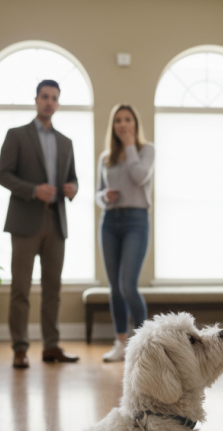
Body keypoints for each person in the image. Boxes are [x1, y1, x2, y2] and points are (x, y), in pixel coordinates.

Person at [0, 80, 80, 369]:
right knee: (20, 289)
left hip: (55, 222)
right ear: (36, 100)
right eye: (45, 97)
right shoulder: (16, 135)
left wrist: (73, 189)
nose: (49, 102)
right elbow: (3, 175)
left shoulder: (65, 142)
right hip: (24, 222)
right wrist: (33, 190)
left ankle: (51, 346)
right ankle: (20, 348)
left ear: (58, 103)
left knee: (52, 290)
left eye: (54, 98)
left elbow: (73, 179)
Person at [95, 104, 155, 362]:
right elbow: (98, 193)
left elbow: (140, 176)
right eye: (118, 120)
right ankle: (120, 342)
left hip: (136, 221)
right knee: (114, 289)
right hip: (110, 221)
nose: (122, 124)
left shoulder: (146, 151)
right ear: (113, 125)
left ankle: (142, 347)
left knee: (128, 285)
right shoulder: (106, 158)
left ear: (135, 124)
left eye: (127, 119)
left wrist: (130, 146)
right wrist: (103, 196)